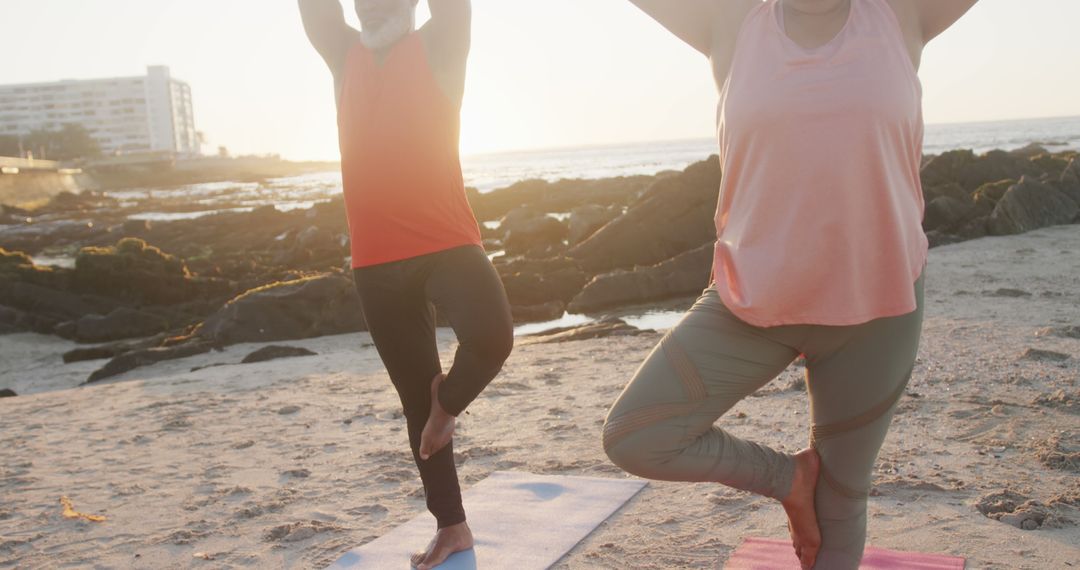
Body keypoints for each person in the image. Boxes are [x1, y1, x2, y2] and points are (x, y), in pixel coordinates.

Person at [603, 1, 978, 568]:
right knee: (636, 435)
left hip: (878, 310)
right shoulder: (728, 21)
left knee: (842, 504)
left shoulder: (902, 13)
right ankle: (790, 477)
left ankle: (815, 492)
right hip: (748, 302)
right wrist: (778, 474)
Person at [298, 1, 513, 567]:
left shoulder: (441, 43)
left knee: (491, 339)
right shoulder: (344, 55)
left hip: (447, 241)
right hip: (374, 261)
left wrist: (453, 401)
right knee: (413, 396)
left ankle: (446, 404)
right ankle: (452, 527)